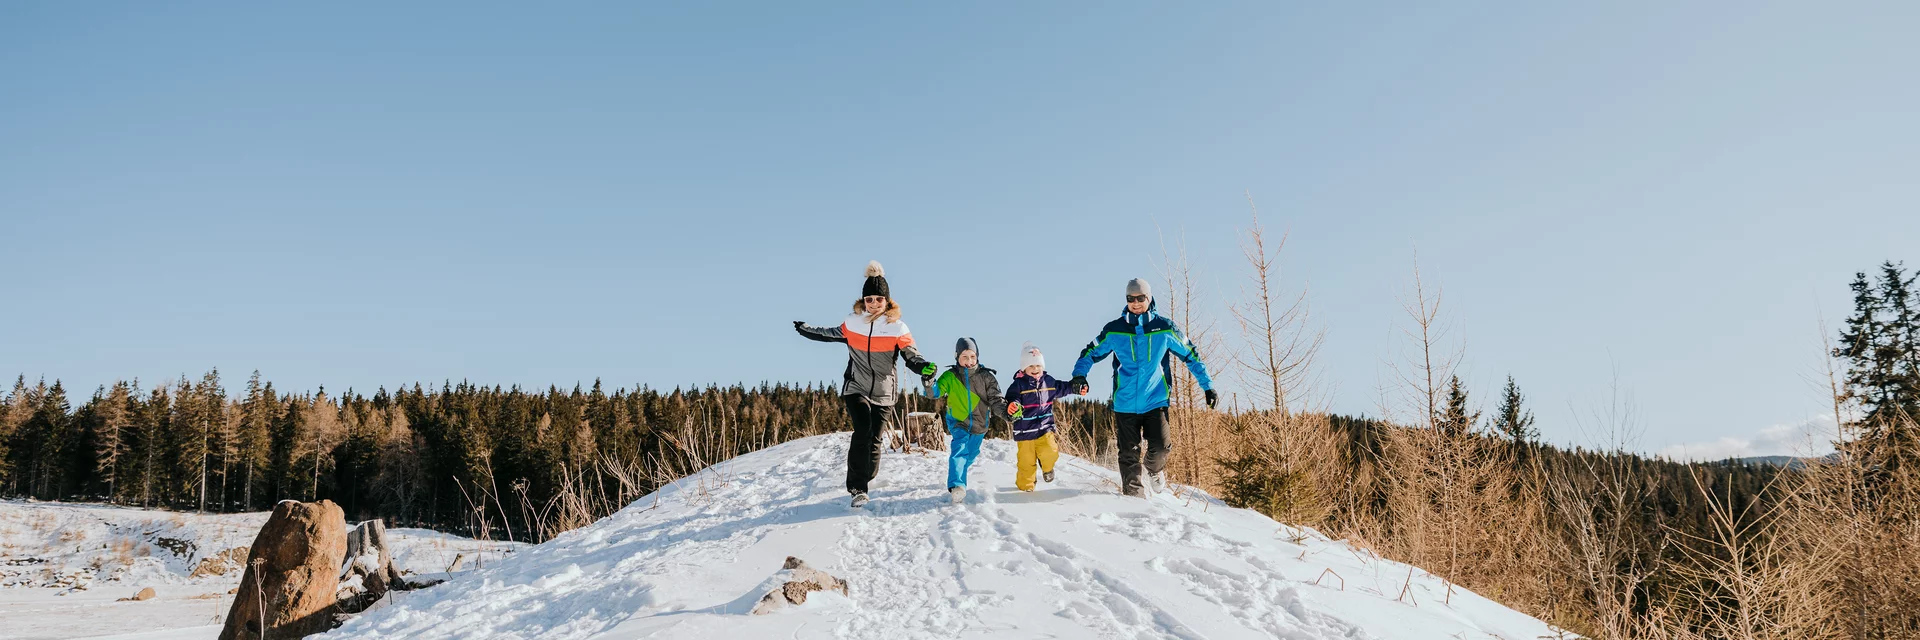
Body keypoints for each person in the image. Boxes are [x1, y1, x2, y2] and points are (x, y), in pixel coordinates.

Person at [794, 261, 937, 508]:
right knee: (862, 430)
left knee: (874, 439)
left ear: (887, 301)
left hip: (884, 392)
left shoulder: (897, 327)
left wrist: (922, 366)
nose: (873, 303)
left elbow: (911, 354)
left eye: (878, 299)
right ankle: (858, 487)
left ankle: (868, 475)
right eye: (869, 299)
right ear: (863, 301)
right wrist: (807, 330)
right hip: (856, 386)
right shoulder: (853, 323)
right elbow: (828, 333)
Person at [1069, 278, 1217, 497]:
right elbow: (1090, 352)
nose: (1136, 303)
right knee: (1128, 454)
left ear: (1149, 298)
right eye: (1131, 299)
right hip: (1125, 402)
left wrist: (1207, 386)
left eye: (1140, 298)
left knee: (1160, 448)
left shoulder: (1164, 328)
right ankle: (1134, 499)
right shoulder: (1114, 330)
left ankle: (1154, 469)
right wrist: (1079, 375)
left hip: (1155, 399)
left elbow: (1191, 354)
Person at [933, 337, 1009, 504]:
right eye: (964, 357)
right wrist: (929, 381)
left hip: (980, 424)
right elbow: (935, 392)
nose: (969, 361)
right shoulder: (950, 376)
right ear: (957, 357)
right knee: (959, 448)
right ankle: (957, 486)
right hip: (958, 421)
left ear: (977, 357)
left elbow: (996, 400)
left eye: (972, 357)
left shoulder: (986, 377)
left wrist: (1007, 414)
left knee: (971, 453)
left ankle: (959, 471)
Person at [1003, 342, 1080, 492]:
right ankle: (1026, 489)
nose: (1035, 369)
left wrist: (1075, 387)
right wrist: (1013, 405)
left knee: (1051, 451)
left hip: (1045, 429)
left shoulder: (1048, 382)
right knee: (1026, 463)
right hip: (1024, 432)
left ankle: (1047, 468)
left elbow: (1062, 388)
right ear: (1024, 368)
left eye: (1038, 366)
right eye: (1031, 366)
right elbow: (1012, 398)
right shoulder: (1018, 385)